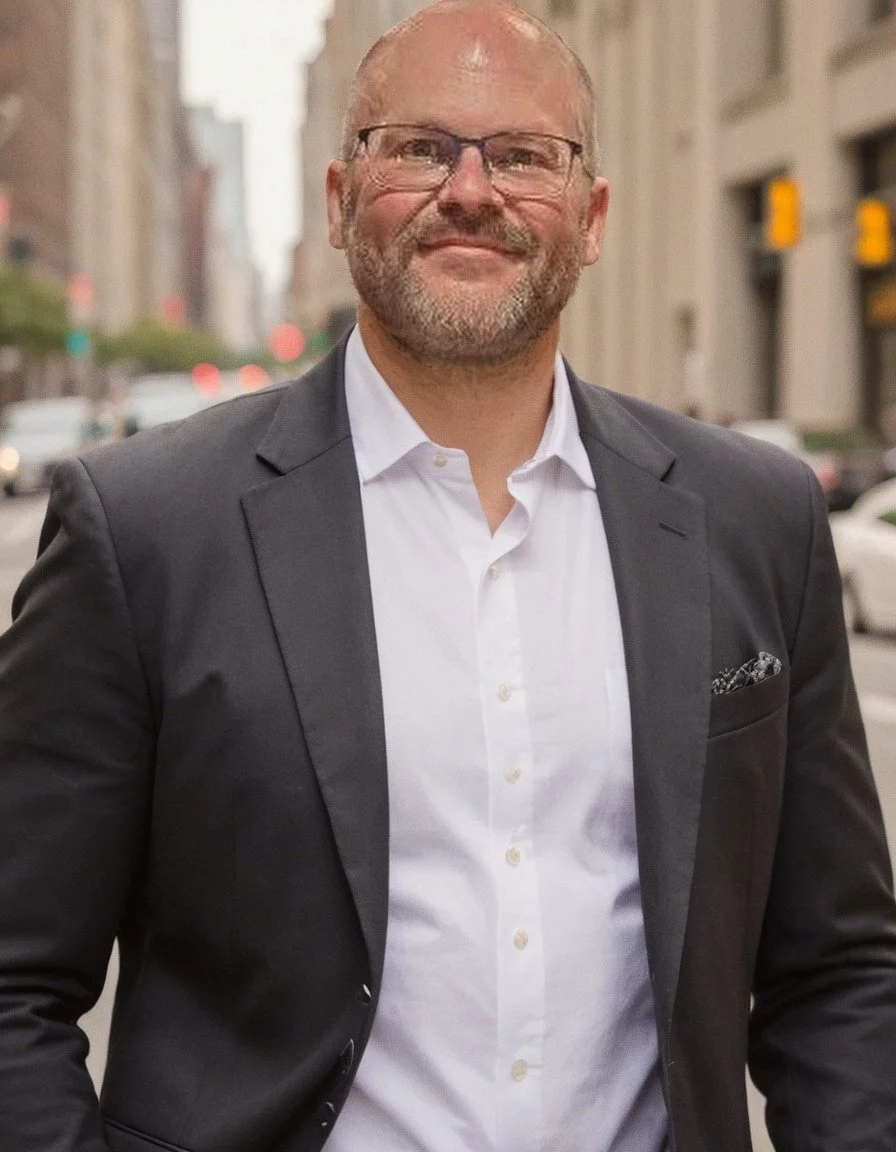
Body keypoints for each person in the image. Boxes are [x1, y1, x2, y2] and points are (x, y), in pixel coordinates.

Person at [1, 1, 895, 1149]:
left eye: (524, 155)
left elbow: (837, 972)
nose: (471, 190)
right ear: (336, 200)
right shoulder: (143, 533)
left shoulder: (752, 521)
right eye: (419, 146)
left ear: (591, 216)